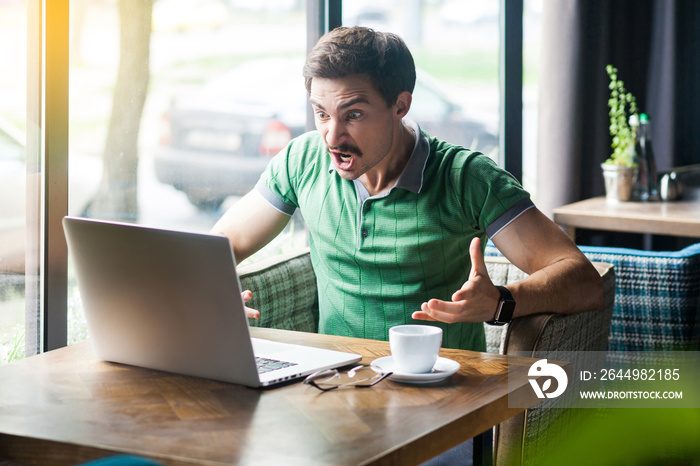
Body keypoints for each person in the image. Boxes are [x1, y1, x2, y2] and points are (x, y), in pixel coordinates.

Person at [211, 26, 603, 352]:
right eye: (321, 113)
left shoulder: (465, 177)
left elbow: (583, 281)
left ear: (400, 105)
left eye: (354, 115)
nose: (332, 135)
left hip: (443, 394)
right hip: (333, 385)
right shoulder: (302, 160)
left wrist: (501, 301)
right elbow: (220, 245)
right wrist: (209, 292)